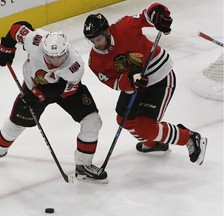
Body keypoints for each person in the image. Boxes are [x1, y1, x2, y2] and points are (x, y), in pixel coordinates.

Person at [0, 21, 108, 182]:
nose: (55, 60)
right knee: (17, 123)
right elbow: (17, 27)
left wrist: (40, 94)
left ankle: (83, 165)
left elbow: (65, 90)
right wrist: (6, 47)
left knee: (93, 121)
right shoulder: (35, 40)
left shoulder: (75, 65)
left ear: (66, 52)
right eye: (50, 56)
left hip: (65, 90)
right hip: (33, 85)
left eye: (59, 56)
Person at [83, 3, 207, 165]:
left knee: (144, 126)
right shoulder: (95, 61)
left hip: (159, 76)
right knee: (123, 119)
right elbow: (113, 82)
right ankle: (153, 142)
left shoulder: (124, 27)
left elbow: (147, 15)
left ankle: (190, 138)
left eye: (98, 39)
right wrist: (129, 79)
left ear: (107, 31)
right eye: (92, 40)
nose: (96, 44)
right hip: (135, 85)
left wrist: (159, 13)